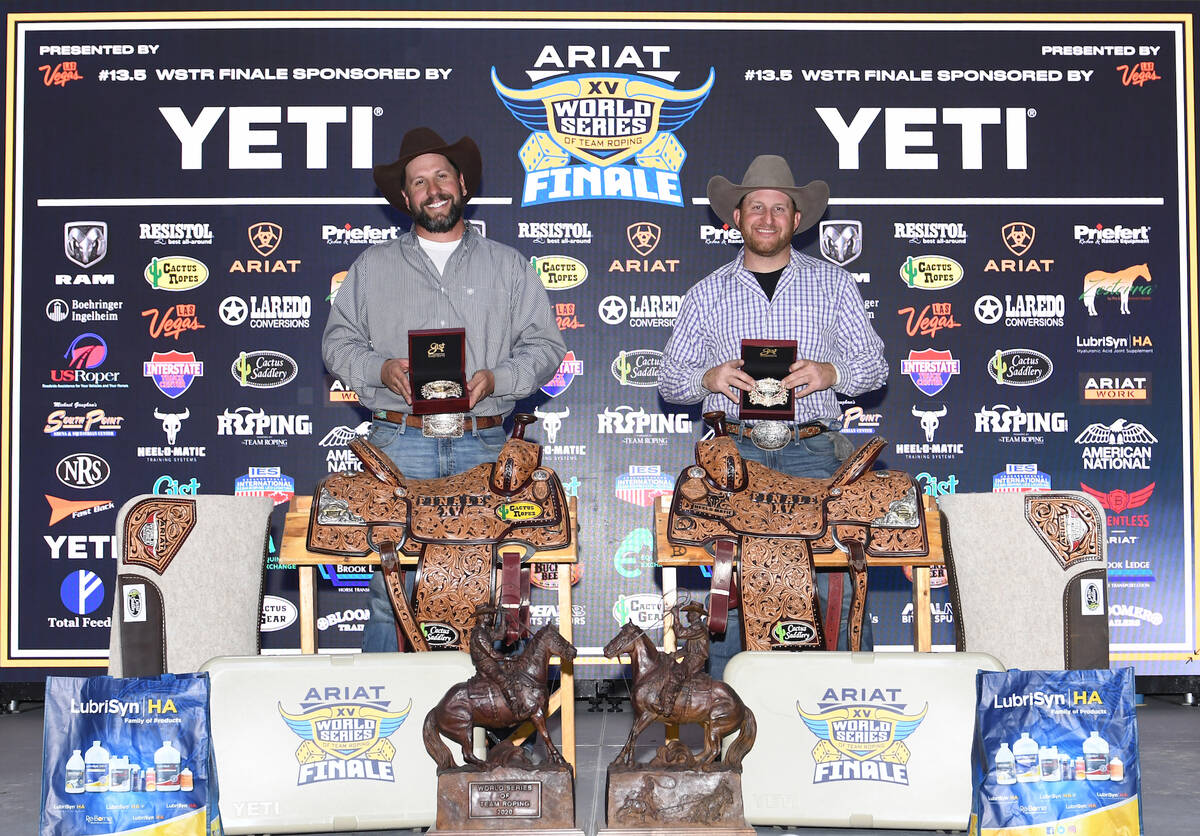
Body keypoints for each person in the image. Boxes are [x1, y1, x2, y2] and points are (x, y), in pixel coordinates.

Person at [323, 127, 567, 652]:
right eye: (418, 182)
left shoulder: (510, 267)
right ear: (406, 198)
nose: (432, 189)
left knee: (495, 595)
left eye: (440, 176)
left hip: (484, 444)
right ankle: (385, 720)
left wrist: (498, 378)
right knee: (389, 596)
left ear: (461, 182)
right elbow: (337, 343)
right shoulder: (371, 268)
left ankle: (489, 726)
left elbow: (546, 348)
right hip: (399, 445)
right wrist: (381, 368)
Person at [657, 154, 887, 676]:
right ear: (735, 218)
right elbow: (668, 380)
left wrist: (831, 373)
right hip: (733, 451)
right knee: (731, 576)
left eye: (778, 208)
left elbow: (875, 367)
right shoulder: (705, 294)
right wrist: (707, 378)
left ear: (797, 219)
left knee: (835, 574)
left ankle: (850, 701)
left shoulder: (834, 286)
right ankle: (730, 711)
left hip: (812, 446)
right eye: (755, 207)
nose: (766, 218)